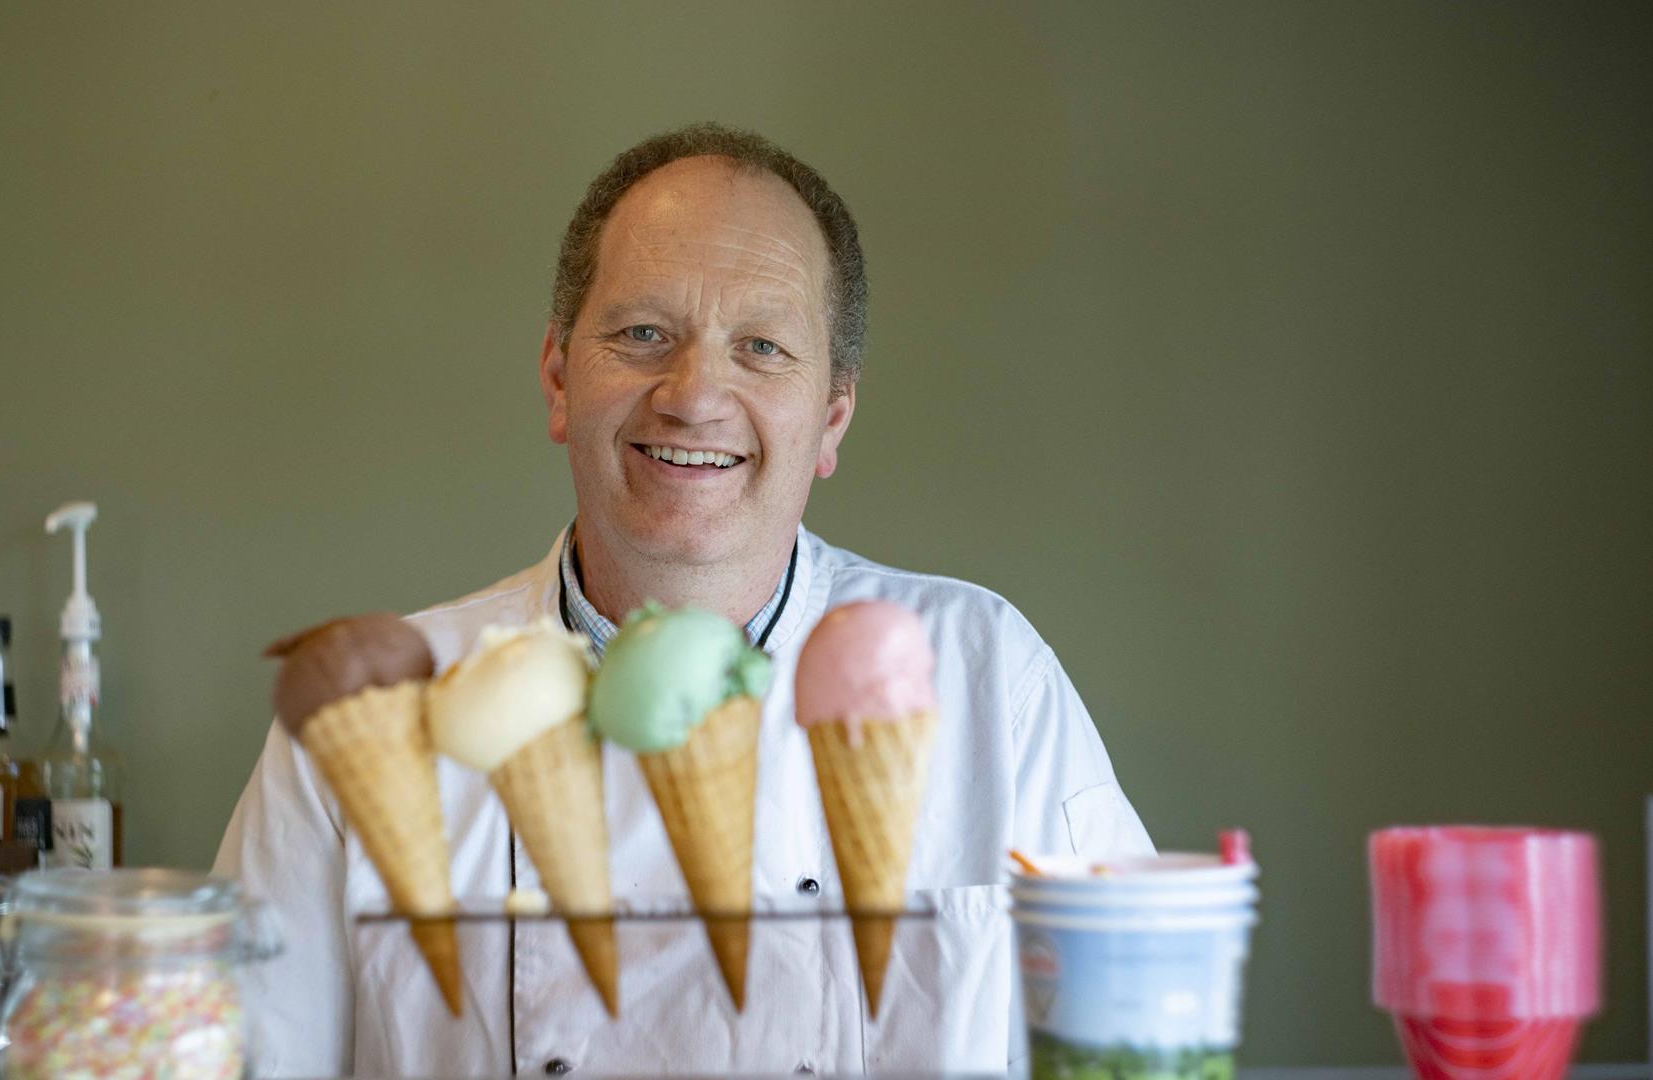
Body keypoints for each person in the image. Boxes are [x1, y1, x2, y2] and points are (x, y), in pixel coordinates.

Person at [214, 122, 1152, 1077]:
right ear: (556, 380)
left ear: (832, 417)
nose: (695, 395)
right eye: (642, 334)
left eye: (762, 346)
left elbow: (1143, 1042)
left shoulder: (991, 679)